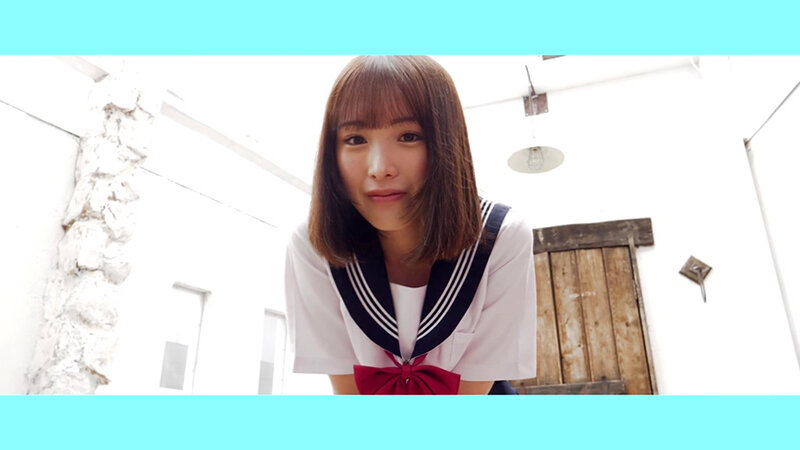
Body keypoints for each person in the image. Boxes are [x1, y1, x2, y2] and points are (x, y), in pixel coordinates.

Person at [285, 56, 536, 394]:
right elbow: (348, 392)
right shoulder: (313, 246)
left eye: (408, 136)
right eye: (355, 139)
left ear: (447, 143)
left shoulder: (501, 237)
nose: (379, 168)